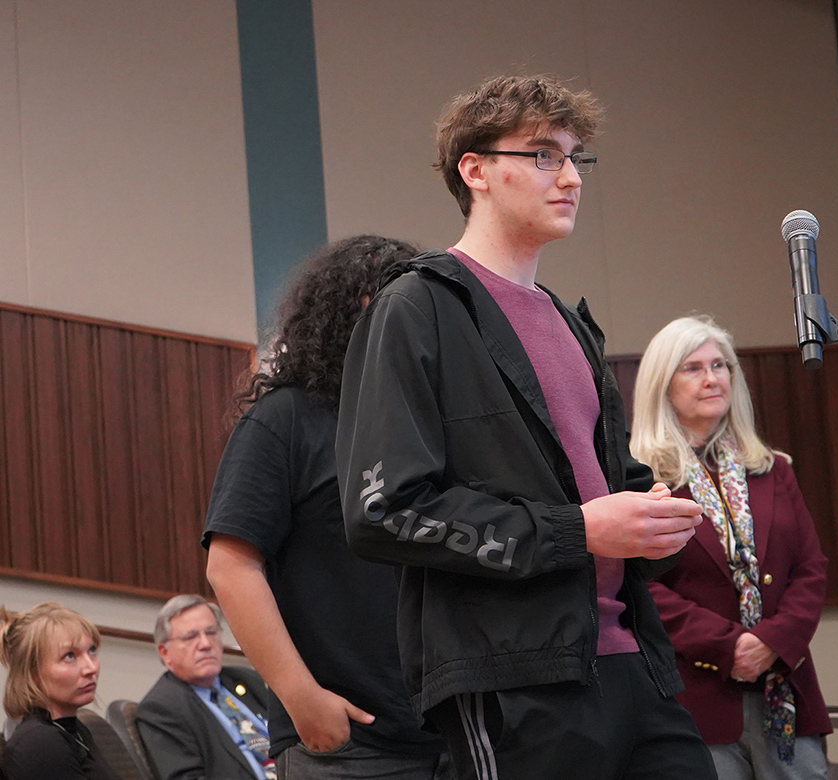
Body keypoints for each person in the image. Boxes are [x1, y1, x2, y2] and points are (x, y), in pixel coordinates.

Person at [335, 74, 715, 780]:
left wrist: (658, 518)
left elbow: (610, 484)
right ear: (474, 169)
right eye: (543, 155)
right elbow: (383, 511)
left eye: (575, 158)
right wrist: (582, 529)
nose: (569, 176)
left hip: (633, 662)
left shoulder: (571, 323)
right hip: (513, 679)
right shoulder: (417, 308)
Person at [203, 234, 451, 779]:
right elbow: (230, 566)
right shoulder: (286, 419)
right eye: (386, 297)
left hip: (454, 732)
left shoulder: (435, 423)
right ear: (342, 313)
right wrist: (301, 697)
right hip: (347, 744)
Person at [630, 315, 832, 780]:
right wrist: (731, 647)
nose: (712, 378)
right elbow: (643, 588)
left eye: (720, 365)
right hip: (696, 697)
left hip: (783, 687)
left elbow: (810, 568)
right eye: (693, 368)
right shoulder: (641, 480)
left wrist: (770, 642)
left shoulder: (772, 468)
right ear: (663, 384)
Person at [136, 594, 272, 780]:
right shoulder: (161, 709)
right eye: (191, 637)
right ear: (165, 652)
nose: (206, 644)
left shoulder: (246, 679)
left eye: (211, 632)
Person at [0, 602, 119, 780]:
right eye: (70, 656)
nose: (91, 667)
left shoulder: (75, 729)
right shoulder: (39, 743)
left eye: (92, 650)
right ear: (33, 673)